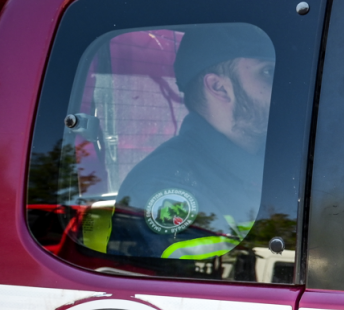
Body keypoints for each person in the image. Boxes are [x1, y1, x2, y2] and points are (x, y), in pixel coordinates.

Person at [106, 23, 275, 259]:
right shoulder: (164, 186)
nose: (285, 86)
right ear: (219, 88)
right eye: (268, 72)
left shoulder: (276, 160)